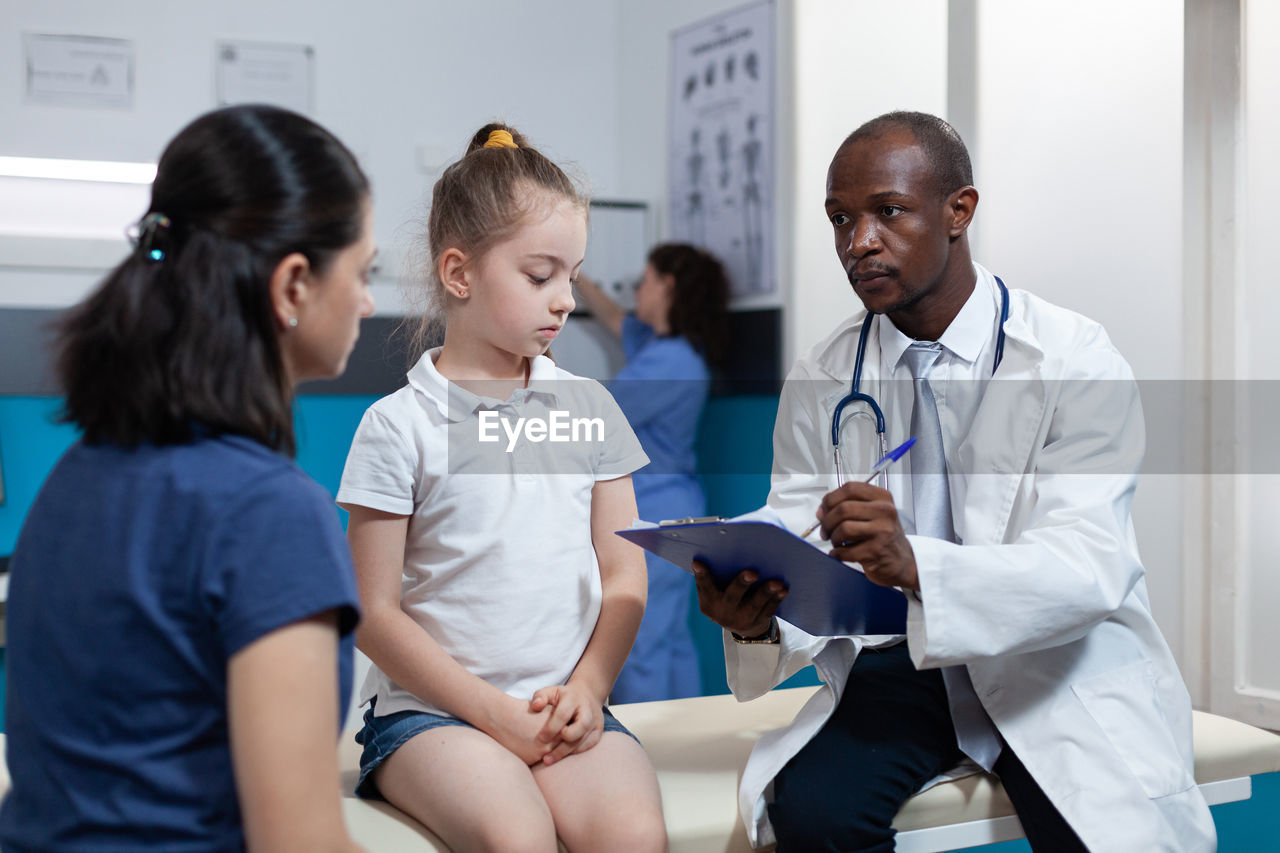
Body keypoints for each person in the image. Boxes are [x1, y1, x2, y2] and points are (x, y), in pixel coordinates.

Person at [692, 111, 1216, 852]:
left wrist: (919, 565)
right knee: (813, 817)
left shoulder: (1070, 357)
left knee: (1097, 829)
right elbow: (794, 529)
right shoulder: (824, 373)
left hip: (1050, 659)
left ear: (958, 212)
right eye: (840, 218)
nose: (858, 241)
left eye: (888, 211)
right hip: (898, 663)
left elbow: (1089, 563)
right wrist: (756, 613)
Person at [0, 105, 375, 852]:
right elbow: (297, 842)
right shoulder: (272, 513)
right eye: (363, 272)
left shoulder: (78, 475)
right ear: (294, 285)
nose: (367, 301)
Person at [337, 123, 668, 853]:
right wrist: (491, 712)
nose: (564, 300)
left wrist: (590, 688)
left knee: (635, 836)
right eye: (539, 275)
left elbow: (623, 575)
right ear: (459, 273)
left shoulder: (591, 408)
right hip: (432, 717)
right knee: (518, 838)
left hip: (567, 703)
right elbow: (373, 610)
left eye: (572, 277)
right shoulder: (399, 426)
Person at [575, 244, 729, 703]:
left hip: (657, 510)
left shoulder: (672, 362)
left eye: (644, 281)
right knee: (669, 637)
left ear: (668, 287)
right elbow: (615, 319)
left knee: (640, 642)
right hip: (674, 507)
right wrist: (574, 275)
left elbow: (600, 413)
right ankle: (680, 747)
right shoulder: (661, 348)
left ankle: (644, 751)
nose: (636, 291)